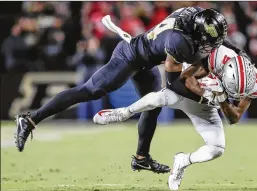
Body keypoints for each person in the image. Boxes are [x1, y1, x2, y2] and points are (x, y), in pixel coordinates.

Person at [16, 7, 231, 174]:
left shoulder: (193, 18)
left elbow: (211, 44)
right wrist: (207, 94)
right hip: (130, 57)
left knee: (153, 106)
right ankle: (30, 120)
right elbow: (176, 84)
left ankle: (141, 158)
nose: (209, 45)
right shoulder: (179, 42)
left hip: (146, 59)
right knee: (90, 90)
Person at [93, 46, 257, 190]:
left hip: (207, 108)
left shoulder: (256, 84)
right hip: (188, 94)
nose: (235, 95)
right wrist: (205, 89)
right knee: (160, 98)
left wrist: (220, 98)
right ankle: (124, 113)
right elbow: (184, 77)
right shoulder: (216, 57)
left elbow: (234, 118)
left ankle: (183, 160)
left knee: (217, 148)